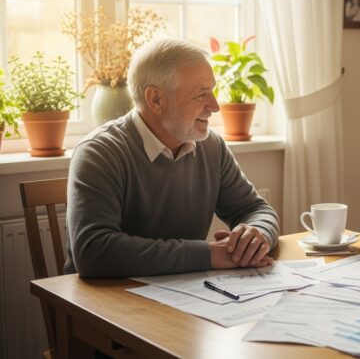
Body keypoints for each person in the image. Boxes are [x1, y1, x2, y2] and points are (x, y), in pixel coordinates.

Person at [64, 38, 280, 278]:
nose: (215, 106)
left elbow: (254, 208)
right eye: (201, 95)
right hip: (105, 303)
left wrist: (257, 234)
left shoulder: (211, 146)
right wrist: (208, 254)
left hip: (184, 294)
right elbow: (93, 251)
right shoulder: (99, 153)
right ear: (155, 99)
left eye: (213, 91)